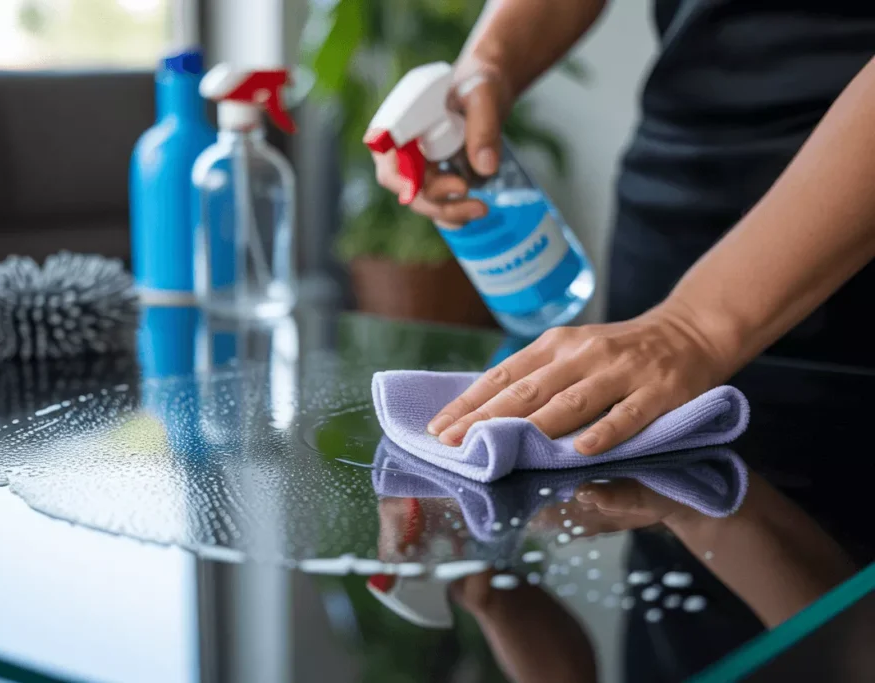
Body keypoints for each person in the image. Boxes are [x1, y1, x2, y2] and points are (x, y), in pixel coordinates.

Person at [370, 0, 875, 455]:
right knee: (654, 516)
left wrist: (693, 327)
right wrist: (490, 64)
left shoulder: (688, 327)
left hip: (848, 239)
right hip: (669, 211)